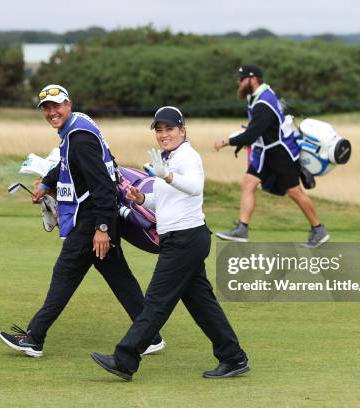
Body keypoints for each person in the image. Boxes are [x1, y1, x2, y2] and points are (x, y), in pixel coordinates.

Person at [0, 84, 164, 358]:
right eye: (46, 108)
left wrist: (101, 229)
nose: (52, 112)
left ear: (68, 104)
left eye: (56, 106)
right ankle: (151, 336)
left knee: (64, 274)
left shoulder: (79, 139)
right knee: (119, 277)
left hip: (93, 218)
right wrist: (47, 183)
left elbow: (104, 188)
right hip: (98, 215)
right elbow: (66, 163)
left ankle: (34, 337)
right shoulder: (77, 126)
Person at [91, 107, 249, 381]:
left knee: (156, 302)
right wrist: (141, 198)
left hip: (185, 239)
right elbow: (164, 200)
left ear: (182, 130)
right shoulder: (169, 159)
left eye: (170, 129)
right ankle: (233, 357)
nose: (164, 135)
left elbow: (195, 186)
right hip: (182, 239)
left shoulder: (188, 156)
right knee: (202, 304)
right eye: (159, 130)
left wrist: (166, 175)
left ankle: (125, 359)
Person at [213, 64, 330, 248]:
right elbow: (257, 131)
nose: (239, 82)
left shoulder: (263, 103)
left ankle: (318, 229)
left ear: (253, 79)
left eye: (242, 79)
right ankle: (242, 230)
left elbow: (252, 134)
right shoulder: (260, 96)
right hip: (267, 152)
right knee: (249, 182)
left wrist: (227, 141)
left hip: (281, 153)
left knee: (295, 192)